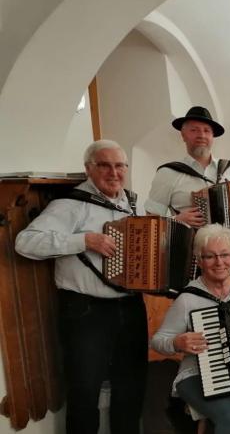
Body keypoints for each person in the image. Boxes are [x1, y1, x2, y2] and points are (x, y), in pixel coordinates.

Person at [15, 140, 146, 434]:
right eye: (105, 165)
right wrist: (83, 240)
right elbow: (25, 242)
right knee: (84, 391)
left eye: (120, 165)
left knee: (131, 389)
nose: (114, 172)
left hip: (130, 306)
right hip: (86, 311)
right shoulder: (69, 206)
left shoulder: (134, 204)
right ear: (89, 169)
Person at [150, 224, 230, 434]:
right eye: (210, 256)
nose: (219, 262)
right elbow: (157, 340)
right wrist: (177, 342)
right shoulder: (188, 298)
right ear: (200, 260)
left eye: (225, 255)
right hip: (197, 374)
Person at [146, 106, 230, 227]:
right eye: (194, 130)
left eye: (207, 130)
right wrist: (176, 220)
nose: (201, 135)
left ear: (212, 137)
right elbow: (150, 220)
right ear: (183, 135)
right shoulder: (167, 173)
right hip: (186, 244)